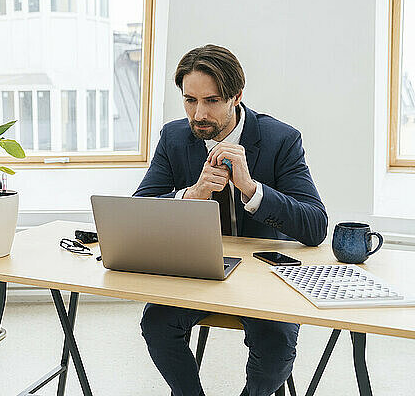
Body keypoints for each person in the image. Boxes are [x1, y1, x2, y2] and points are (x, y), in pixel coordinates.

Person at [133, 45, 328, 396]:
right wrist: (190, 196)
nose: (198, 113)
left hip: (264, 277)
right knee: (156, 324)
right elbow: (140, 208)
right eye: (189, 100)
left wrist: (252, 189)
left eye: (211, 101)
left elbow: (315, 225)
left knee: (276, 341)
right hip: (198, 272)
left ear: (236, 96)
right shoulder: (174, 137)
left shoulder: (281, 139)